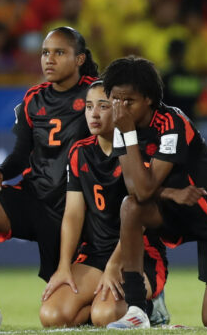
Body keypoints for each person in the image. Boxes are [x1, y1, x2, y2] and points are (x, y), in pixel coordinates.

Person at [103, 56, 207, 329]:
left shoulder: (172, 124)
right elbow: (136, 191)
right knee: (130, 207)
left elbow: (145, 189)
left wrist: (129, 136)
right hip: (175, 210)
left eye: (128, 101)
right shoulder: (125, 126)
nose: (120, 109)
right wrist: (170, 193)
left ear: (148, 99)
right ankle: (137, 310)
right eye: (115, 100)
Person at [0, 27, 99, 328]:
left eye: (60, 52)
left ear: (79, 59)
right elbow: (21, 153)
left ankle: (143, 299)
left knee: (69, 316)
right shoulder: (33, 99)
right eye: (46, 52)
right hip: (35, 200)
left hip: (78, 208)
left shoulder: (95, 95)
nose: (49, 59)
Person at [39, 81, 169, 327]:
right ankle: (104, 303)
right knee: (52, 317)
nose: (94, 114)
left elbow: (139, 217)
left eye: (103, 106)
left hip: (137, 256)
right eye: (88, 106)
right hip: (94, 255)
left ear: (120, 111)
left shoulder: (137, 150)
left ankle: (152, 308)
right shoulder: (80, 152)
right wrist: (64, 266)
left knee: (105, 316)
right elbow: (73, 214)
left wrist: (114, 265)